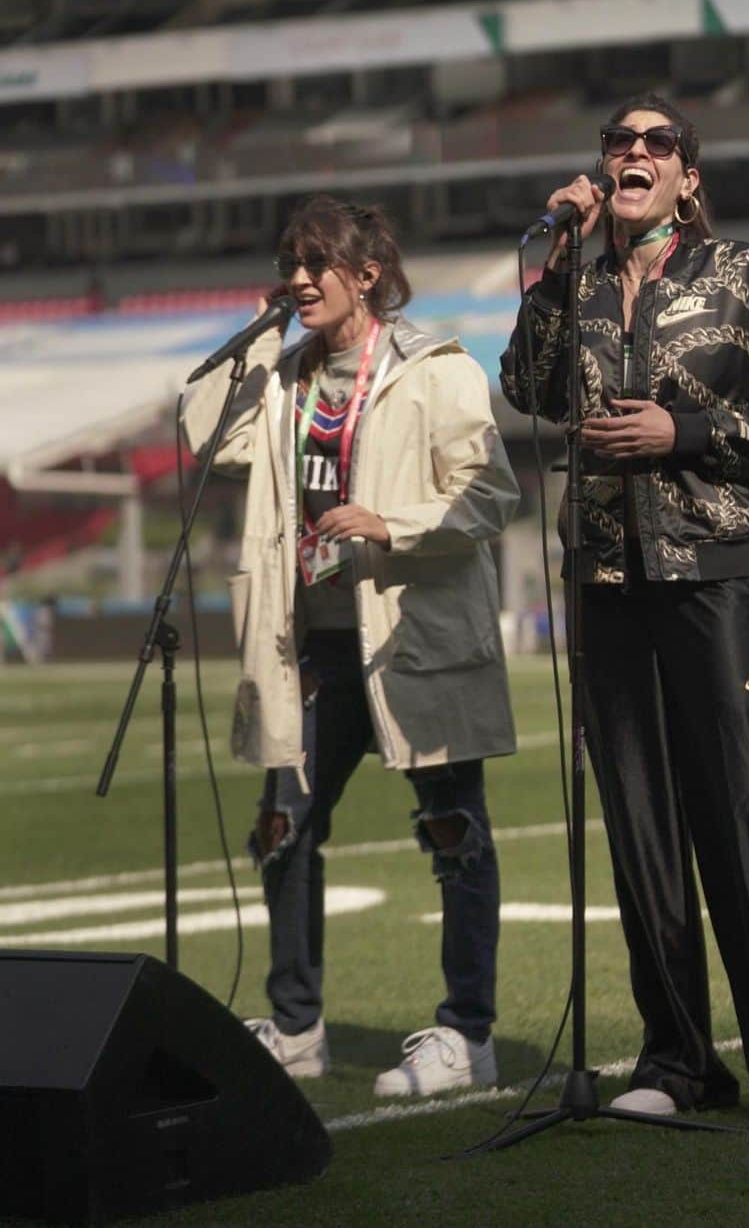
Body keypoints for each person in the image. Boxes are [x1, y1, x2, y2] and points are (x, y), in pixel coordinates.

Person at [500, 93, 749, 1134]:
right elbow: (523, 382)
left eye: (659, 143)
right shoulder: (580, 275)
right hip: (605, 579)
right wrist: (559, 265)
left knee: (740, 820)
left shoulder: (743, 273)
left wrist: (682, 431)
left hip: (713, 571)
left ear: (688, 177)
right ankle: (680, 1058)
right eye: (621, 141)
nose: (637, 153)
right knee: (642, 830)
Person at [182, 194, 519, 1096]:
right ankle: (295, 1029)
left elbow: (490, 496)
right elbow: (202, 435)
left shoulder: (436, 371)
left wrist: (390, 522)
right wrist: (256, 336)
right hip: (311, 648)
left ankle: (468, 1035)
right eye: (287, 263)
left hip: (410, 639)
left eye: (313, 263)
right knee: (282, 831)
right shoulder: (283, 376)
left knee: (455, 836)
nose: (296, 279)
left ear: (366, 276)